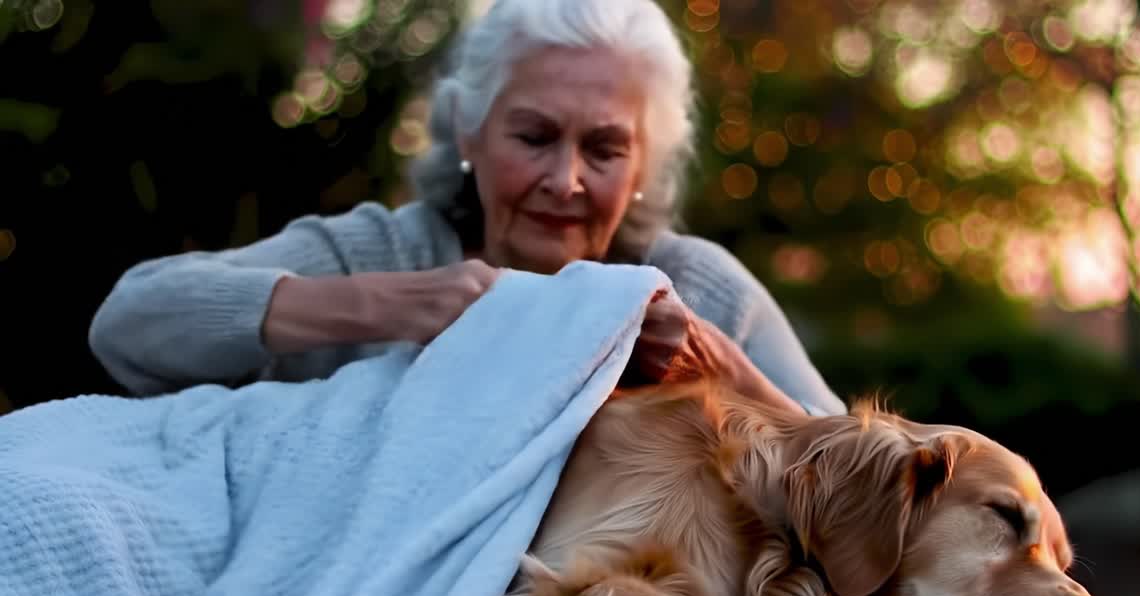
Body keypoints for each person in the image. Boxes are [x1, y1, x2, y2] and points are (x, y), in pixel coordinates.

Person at [88, 0, 845, 417]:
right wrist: (395, 306)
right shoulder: (384, 252)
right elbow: (131, 324)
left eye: (605, 150)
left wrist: (714, 371)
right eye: (534, 136)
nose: (566, 180)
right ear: (468, 135)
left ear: (644, 167)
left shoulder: (694, 286)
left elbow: (866, 483)